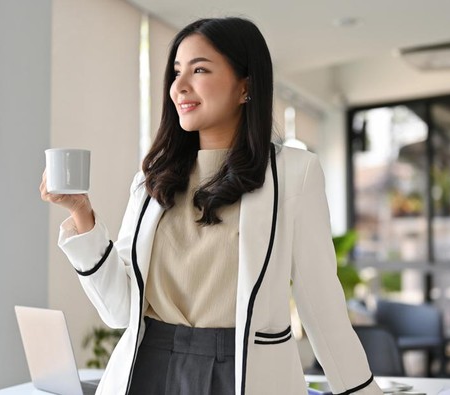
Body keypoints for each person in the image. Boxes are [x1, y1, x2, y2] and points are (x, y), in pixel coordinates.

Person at [40, 17, 383, 395]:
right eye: (175, 72)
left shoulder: (294, 174)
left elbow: (321, 305)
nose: (179, 87)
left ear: (245, 86)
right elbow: (119, 309)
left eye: (199, 69)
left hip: (244, 374)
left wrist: (362, 391)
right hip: (149, 369)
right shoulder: (152, 179)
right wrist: (82, 216)